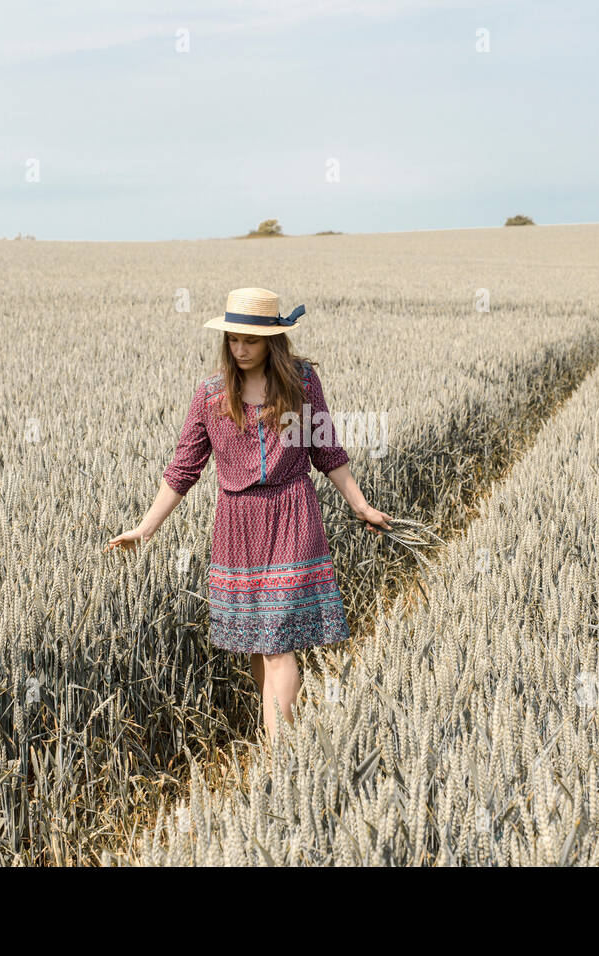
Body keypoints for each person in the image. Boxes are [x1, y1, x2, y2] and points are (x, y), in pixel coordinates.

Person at [105, 288, 391, 743]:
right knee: (258, 644)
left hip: (292, 515)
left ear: (272, 341)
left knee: (277, 642)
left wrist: (359, 504)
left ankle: (282, 756)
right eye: (233, 340)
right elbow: (184, 469)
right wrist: (146, 527)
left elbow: (326, 449)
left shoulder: (301, 382)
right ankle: (277, 738)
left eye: (250, 341)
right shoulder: (212, 395)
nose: (239, 350)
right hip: (238, 527)